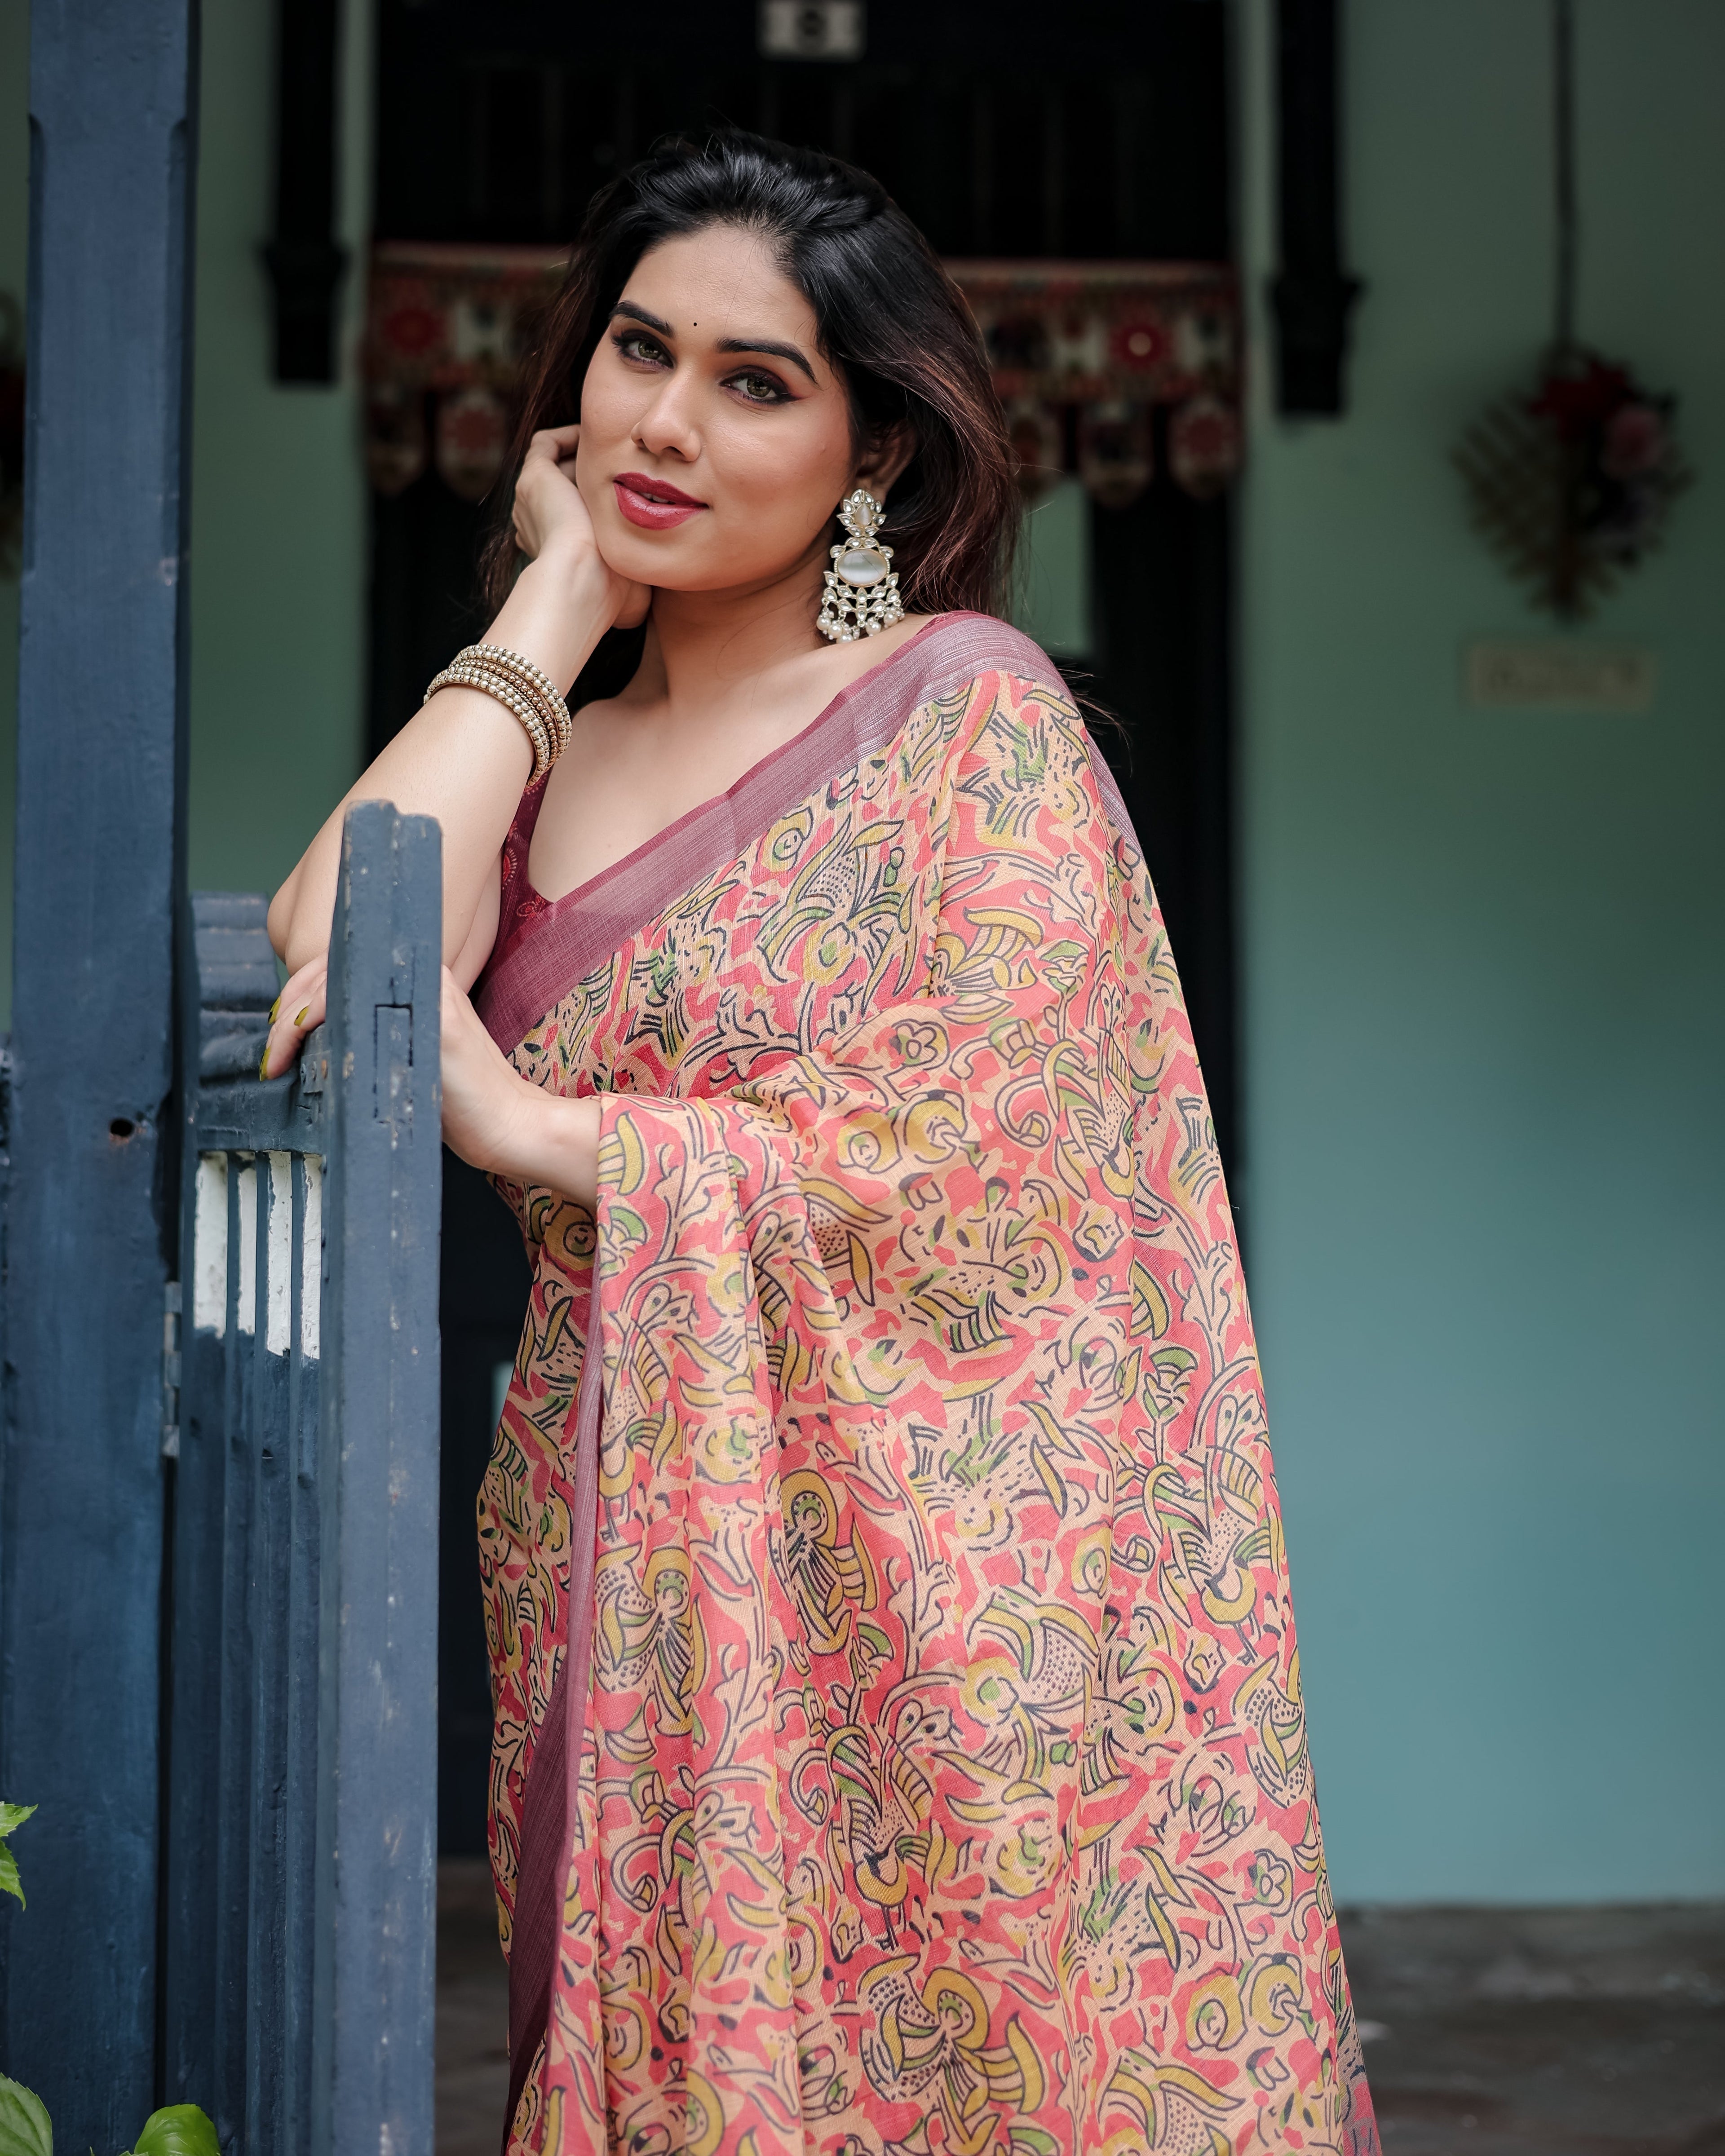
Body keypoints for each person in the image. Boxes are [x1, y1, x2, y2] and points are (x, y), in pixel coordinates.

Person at [265, 131, 1377, 2156]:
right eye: (637, 351)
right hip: (620, 1525)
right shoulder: (542, 748)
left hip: (949, 1592)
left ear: (874, 455)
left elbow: (985, 1170)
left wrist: (536, 1125)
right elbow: (337, 933)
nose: (665, 422)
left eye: (755, 381)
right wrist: (557, 604)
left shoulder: (968, 718)